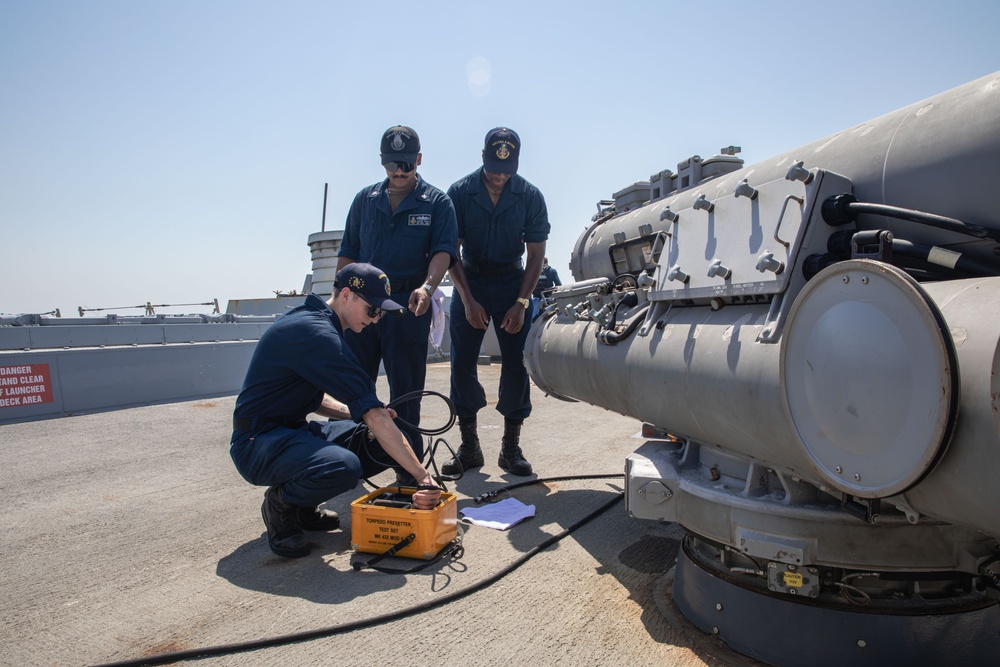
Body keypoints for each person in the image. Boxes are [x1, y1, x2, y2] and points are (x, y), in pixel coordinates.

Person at [229, 263, 442, 558]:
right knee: (343, 466)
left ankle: (303, 505)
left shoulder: (319, 324)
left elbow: (316, 400)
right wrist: (422, 477)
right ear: (346, 295)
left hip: (291, 432)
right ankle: (281, 503)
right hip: (257, 442)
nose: (376, 319)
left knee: (378, 441)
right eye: (372, 309)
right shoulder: (315, 333)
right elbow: (373, 414)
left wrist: (360, 413)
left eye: (380, 313)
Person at [338, 126, 458, 482]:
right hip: (362, 307)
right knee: (355, 389)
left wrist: (427, 287)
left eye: (406, 164)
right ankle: (351, 465)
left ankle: (409, 474)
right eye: (392, 164)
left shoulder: (437, 203)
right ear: (382, 161)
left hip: (407, 307)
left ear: (418, 160)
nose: (399, 171)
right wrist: (339, 303)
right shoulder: (364, 200)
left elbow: (443, 251)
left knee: (406, 395)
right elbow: (348, 253)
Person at [442, 127, 550, 477]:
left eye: (506, 170)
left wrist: (521, 302)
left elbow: (536, 256)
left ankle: (510, 448)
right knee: (461, 364)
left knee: (517, 364)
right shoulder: (459, 192)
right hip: (469, 278)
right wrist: (467, 299)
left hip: (511, 283)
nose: (500, 176)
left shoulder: (530, 196)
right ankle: (469, 447)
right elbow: (450, 251)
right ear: (482, 157)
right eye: (493, 168)